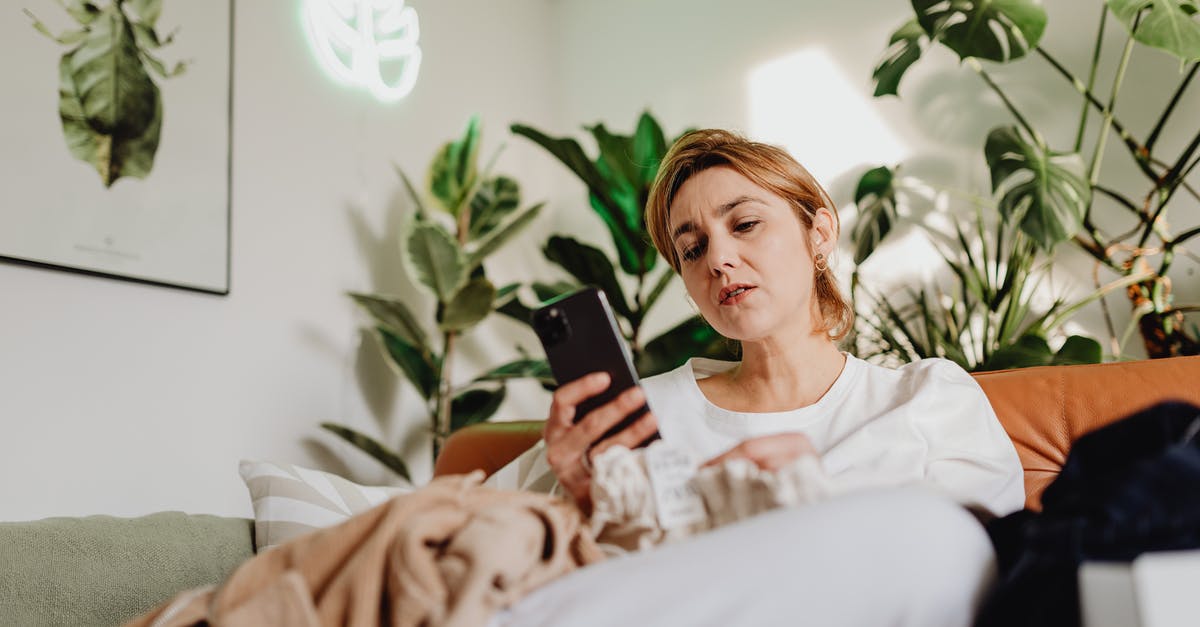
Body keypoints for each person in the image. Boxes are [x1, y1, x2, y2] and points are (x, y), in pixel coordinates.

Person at [491, 129, 1025, 627]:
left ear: (819, 233)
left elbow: (982, 574)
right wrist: (577, 502)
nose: (719, 260)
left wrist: (814, 498)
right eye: (692, 250)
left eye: (745, 224)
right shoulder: (633, 414)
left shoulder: (929, 399)